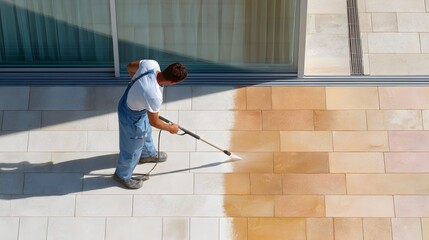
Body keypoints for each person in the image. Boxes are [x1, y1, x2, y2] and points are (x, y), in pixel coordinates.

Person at [113, 59, 188, 189]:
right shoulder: (154, 96)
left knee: (145, 131)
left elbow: (130, 66)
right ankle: (122, 175)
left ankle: (147, 154)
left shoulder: (151, 64)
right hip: (131, 116)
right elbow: (155, 122)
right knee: (131, 149)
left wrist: (139, 90)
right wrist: (171, 128)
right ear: (172, 82)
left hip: (131, 102)